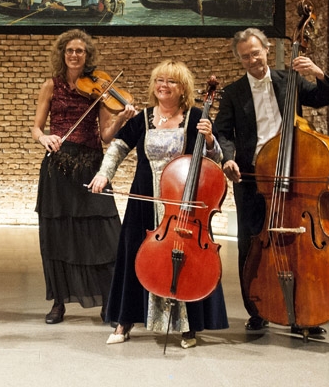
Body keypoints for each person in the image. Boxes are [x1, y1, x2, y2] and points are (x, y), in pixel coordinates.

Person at [88, 60, 229, 349]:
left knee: (188, 258)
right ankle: (125, 320)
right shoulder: (143, 117)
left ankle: (189, 325)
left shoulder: (196, 117)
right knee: (134, 257)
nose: (163, 86)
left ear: (183, 89)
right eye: (159, 80)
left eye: (171, 82)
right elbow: (117, 146)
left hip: (184, 205)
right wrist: (104, 174)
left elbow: (214, 159)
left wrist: (211, 140)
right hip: (145, 199)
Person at [213, 28, 329, 336]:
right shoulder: (233, 92)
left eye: (256, 53)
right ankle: (257, 309)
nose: (252, 60)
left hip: (290, 173)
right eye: (245, 56)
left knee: (296, 244)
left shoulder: (291, 81)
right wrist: (227, 158)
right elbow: (221, 133)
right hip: (252, 177)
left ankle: (301, 313)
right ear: (239, 59)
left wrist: (318, 73)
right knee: (251, 243)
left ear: (267, 49)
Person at [31, 29, 137, 325]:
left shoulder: (100, 90)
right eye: (70, 51)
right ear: (62, 54)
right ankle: (59, 303)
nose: (75, 55)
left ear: (87, 55)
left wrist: (121, 118)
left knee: (104, 235)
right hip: (58, 167)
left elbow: (105, 135)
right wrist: (45, 139)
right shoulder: (50, 86)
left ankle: (108, 300)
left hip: (91, 164)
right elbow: (37, 128)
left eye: (80, 51)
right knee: (58, 236)